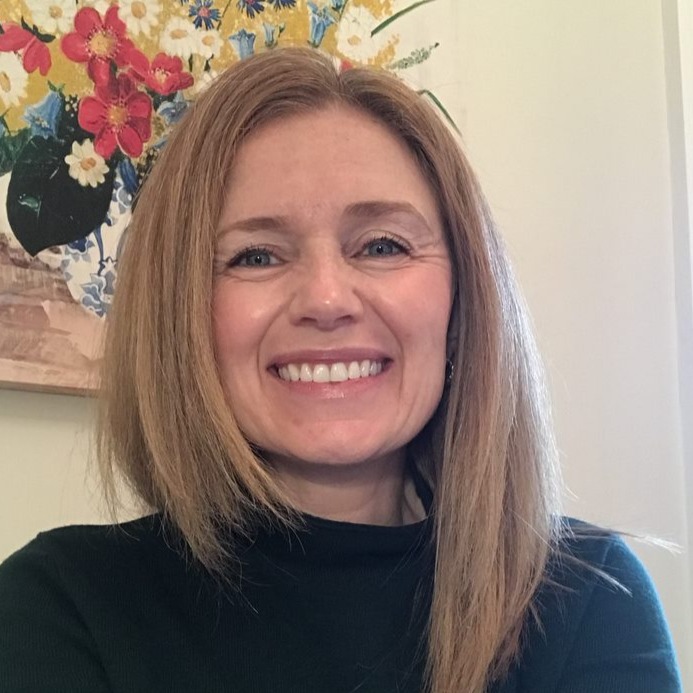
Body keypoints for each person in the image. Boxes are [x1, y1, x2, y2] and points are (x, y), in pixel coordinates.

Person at [0, 47, 682, 693]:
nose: (326, 299)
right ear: (180, 314)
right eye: (256, 256)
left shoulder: (587, 597)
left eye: (382, 245)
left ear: (463, 298)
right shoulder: (60, 608)